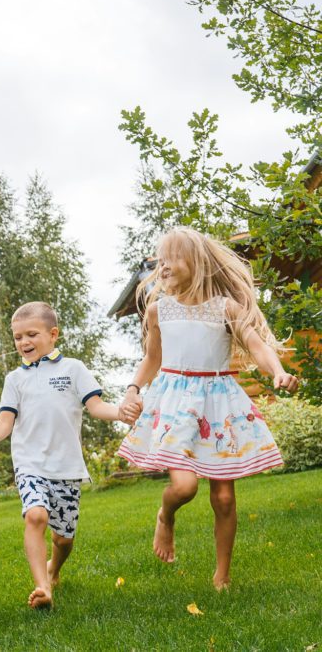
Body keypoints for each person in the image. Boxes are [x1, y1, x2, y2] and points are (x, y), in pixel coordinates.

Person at [116, 227, 298, 590]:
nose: (163, 267)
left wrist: (278, 370)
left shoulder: (225, 308)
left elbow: (256, 344)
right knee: (183, 488)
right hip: (176, 404)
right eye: (160, 260)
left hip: (218, 405)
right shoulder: (158, 310)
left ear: (196, 262)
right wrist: (134, 389)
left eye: (172, 259)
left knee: (225, 497)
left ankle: (222, 575)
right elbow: (153, 359)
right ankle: (165, 516)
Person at [0, 301, 134, 609]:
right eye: (18, 337)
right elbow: (5, 420)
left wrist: (121, 413)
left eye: (31, 334)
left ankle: (54, 568)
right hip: (29, 464)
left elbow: (97, 407)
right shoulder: (15, 380)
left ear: (53, 334)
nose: (24, 342)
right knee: (35, 516)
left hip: (66, 467)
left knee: (64, 539)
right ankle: (42, 587)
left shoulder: (73, 369)